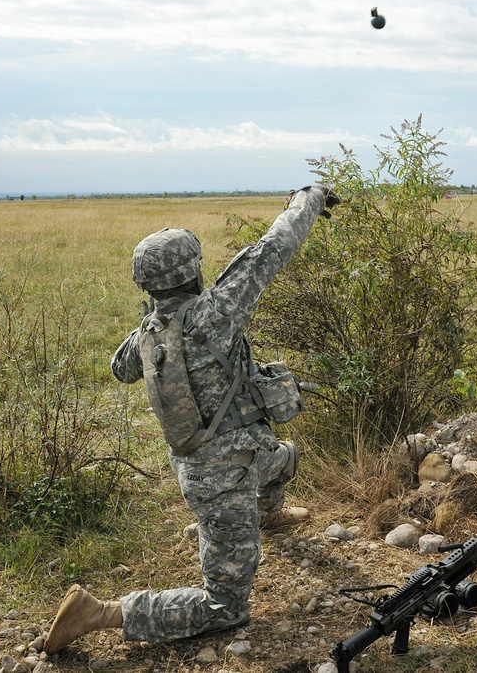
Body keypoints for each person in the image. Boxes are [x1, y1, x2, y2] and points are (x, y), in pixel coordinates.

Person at [43, 184, 339, 654]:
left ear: (146, 284)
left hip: (210, 462)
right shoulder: (214, 313)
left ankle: (266, 512)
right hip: (222, 480)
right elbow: (272, 248)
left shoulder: (147, 333)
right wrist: (311, 197)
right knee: (226, 607)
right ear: (194, 269)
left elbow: (120, 369)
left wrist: (154, 323)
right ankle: (99, 612)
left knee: (284, 457)